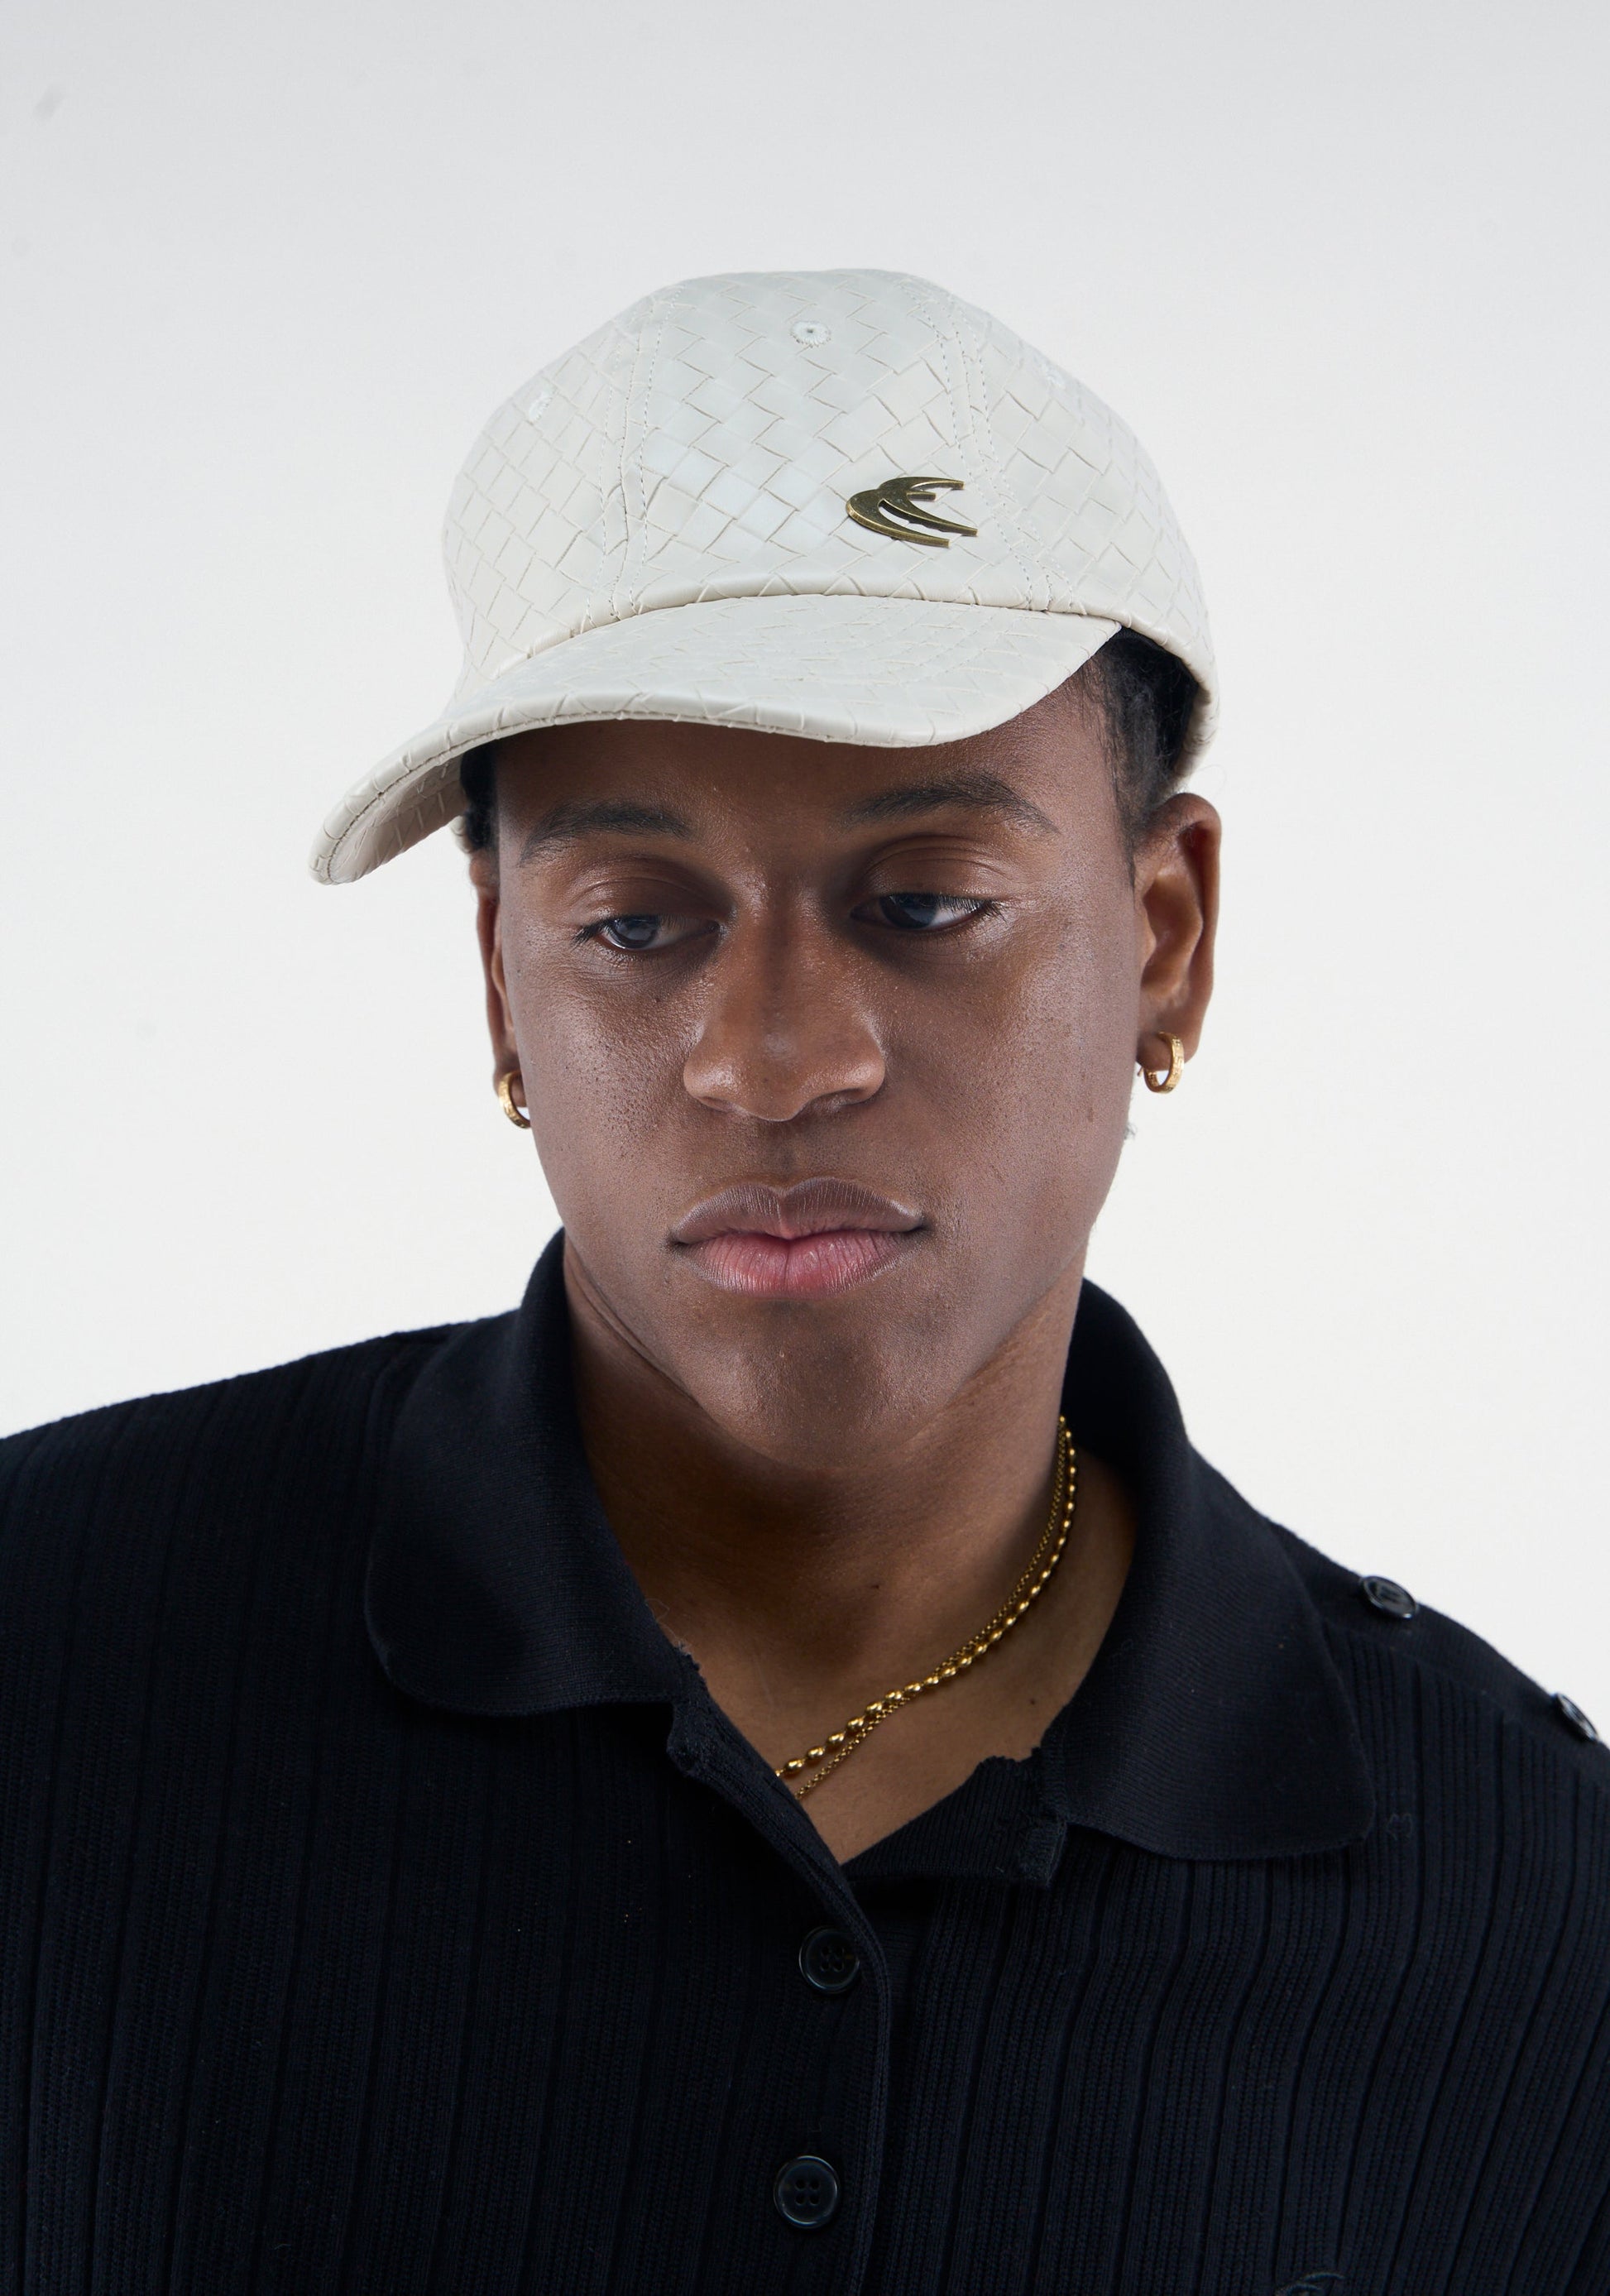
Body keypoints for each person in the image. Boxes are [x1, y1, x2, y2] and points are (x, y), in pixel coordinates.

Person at [2, 270, 1606, 2296]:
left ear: (1165, 933)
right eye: (637, 923)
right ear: (499, 978)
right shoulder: (43, 1665)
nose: (774, 1059)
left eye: (922, 901)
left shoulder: (1541, 1927)